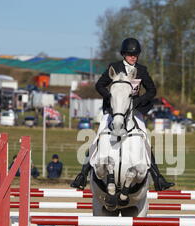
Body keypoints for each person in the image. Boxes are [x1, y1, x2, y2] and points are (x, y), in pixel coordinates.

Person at [71, 37, 174, 191]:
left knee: (145, 139)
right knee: (98, 137)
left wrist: (139, 101)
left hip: (134, 111)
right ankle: (82, 174)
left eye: (135, 54)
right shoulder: (115, 67)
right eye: (130, 54)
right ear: (123, 54)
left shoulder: (142, 70)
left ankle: (158, 177)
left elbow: (152, 90)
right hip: (114, 111)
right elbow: (99, 85)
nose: (133, 57)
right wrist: (112, 98)